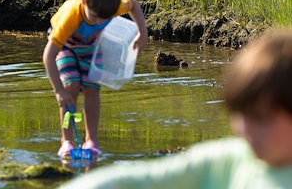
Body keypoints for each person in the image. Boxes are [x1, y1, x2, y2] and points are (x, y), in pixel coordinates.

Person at [60, 29, 292, 188]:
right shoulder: (231, 159)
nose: (245, 130)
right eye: (240, 115)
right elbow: (139, 180)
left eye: (261, 118)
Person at [43, 0, 148, 157]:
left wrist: (142, 32)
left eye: (103, 19)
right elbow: (49, 56)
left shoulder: (111, 6)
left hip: (91, 44)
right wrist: (58, 90)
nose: (97, 21)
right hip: (66, 46)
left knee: (92, 87)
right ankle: (67, 140)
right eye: (94, 17)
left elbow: (133, 3)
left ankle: (91, 140)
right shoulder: (71, 16)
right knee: (71, 86)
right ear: (84, 2)